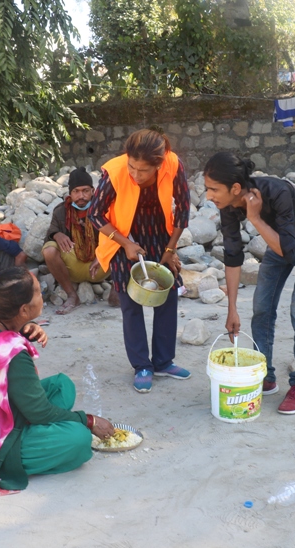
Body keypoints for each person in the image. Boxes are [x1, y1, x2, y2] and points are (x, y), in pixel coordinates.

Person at [0, 267, 115, 494]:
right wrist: (89, 420)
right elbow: (39, 412)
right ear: (23, 309)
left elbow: (2, 338)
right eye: (38, 292)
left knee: (62, 385)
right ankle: (15, 453)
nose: (42, 295)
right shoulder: (10, 352)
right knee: (79, 439)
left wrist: (23, 329)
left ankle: (38, 430)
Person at [204, 152, 295, 415]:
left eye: (214, 189)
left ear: (235, 188)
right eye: (207, 189)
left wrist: (256, 218)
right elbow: (233, 256)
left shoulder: (277, 191)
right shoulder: (226, 206)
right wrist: (232, 309)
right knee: (261, 307)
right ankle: (265, 376)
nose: (208, 196)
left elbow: (287, 250)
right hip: (280, 240)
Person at [88, 129, 192, 393]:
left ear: (159, 164)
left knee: (167, 294)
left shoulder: (173, 164)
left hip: (160, 234)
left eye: (143, 171)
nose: (135, 175)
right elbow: (95, 215)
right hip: (124, 236)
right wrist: (126, 244)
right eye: (132, 166)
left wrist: (171, 249)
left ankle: (163, 362)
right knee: (130, 302)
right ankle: (141, 366)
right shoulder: (114, 171)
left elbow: (183, 209)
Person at [42, 167, 117, 314]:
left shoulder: (103, 209)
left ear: (93, 191)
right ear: (70, 193)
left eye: (85, 191)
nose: (81, 196)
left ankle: (117, 288)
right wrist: (57, 234)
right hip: (73, 267)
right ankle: (72, 295)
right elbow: (49, 234)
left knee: (122, 241)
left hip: (101, 266)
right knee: (49, 249)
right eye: (76, 191)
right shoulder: (61, 211)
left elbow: (117, 235)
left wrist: (102, 254)